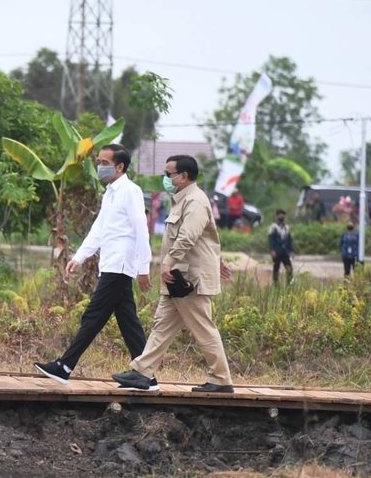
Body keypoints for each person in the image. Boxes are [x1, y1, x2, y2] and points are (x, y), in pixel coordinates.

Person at [112, 155, 235, 394]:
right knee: (162, 326)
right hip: (178, 279)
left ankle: (221, 379)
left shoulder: (195, 201)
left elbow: (188, 237)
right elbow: (206, 239)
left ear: (184, 176)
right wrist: (216, 260)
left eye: (168, 174)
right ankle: (142, 372)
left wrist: (168, 263)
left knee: (203, 328)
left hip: (189, 280)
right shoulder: (182, 200)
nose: (165, 178)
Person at [34, 144, 152, 384]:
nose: (100, 167)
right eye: (99, 162)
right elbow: (98, 230)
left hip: (120, 264)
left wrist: (144, 268)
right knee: (128, 321)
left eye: (105, 163)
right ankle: (146, 375)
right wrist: (79, 257)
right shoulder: (110, 194)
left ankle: (64, 366)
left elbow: (142, 230)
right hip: (110, 263)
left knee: (93, 315)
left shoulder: (130, 191)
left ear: (120, 167)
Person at [268, 209, 294, 284]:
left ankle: (289, 284)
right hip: (277, 251)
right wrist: (272, 250)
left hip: (285, 251)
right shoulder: (273, 227)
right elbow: (271, 239)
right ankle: (276, 284)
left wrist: (291, 250)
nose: (281, 216)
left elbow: (289, 240)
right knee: (276, 267)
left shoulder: (287, 227)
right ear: (277, 216)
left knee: (289, 267)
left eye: (283, 214)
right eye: (280, 214)